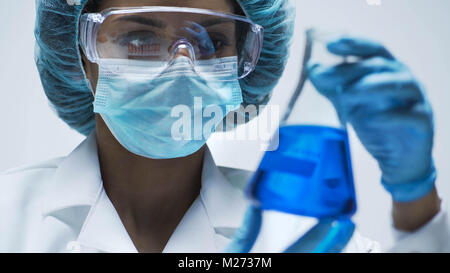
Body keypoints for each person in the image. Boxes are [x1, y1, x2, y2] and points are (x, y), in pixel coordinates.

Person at [0, 0, 448, 253]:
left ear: (245, 65)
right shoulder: (7, 219)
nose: (181, 67)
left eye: (210, 42)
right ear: (80, 54)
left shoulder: (298, 233)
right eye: (139, 38)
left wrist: (416, 201)